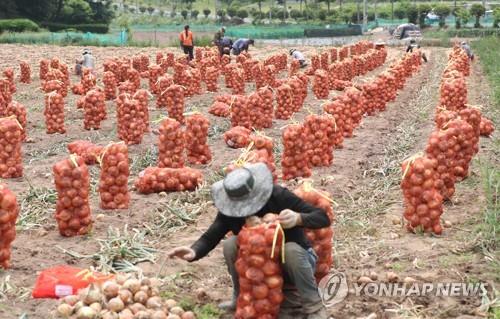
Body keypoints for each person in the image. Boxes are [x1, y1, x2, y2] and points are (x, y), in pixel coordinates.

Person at [168, 163, 330, 319]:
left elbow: (322, 217)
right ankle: (239, 298)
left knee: (291, 250)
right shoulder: (231, 209)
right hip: (259, 269)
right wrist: (194, 251)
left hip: (293, 262)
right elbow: (212, 235)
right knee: (231, 244)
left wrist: (298, 218)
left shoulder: (277, 195)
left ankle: (314, 306)